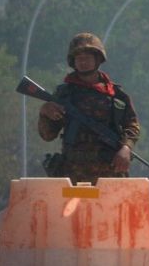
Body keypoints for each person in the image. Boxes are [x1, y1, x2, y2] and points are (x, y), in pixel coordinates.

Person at [38, 32, 140, 184]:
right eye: (79, 59)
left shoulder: (117, 96)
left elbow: (132, 126)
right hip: (73, 173)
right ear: (73, 62)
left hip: (109, 173)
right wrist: (45, 112)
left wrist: (126, 148)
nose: (82, 62)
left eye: (87, 58)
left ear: (98, 60)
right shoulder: (64, 95)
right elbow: (48, 135)